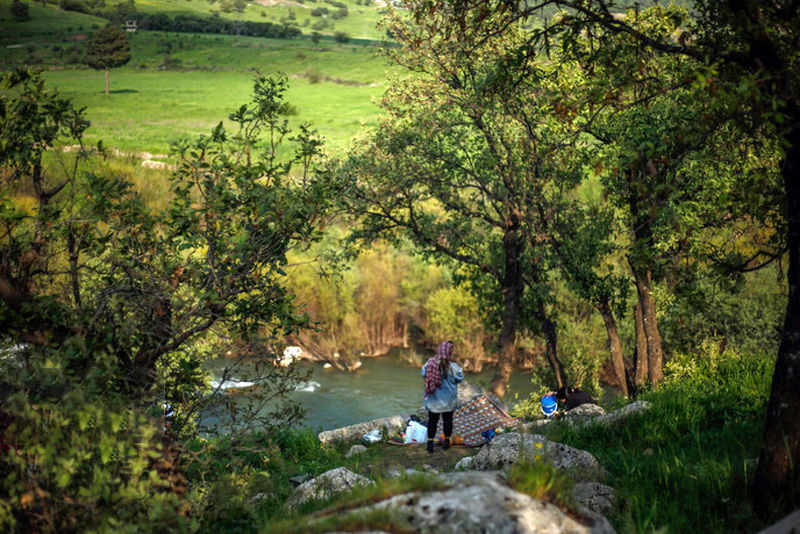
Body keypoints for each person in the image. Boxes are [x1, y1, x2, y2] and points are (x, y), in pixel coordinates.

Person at [421, 340, 464, 453]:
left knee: (432, 421)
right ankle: (446, 443)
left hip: (434, 400)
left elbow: (423, 374)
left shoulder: (430, 364)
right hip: (449, 400)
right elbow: (459, 379)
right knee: (448, 420)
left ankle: (430, 444)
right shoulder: (454, 367)